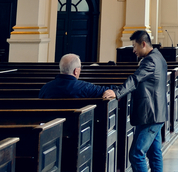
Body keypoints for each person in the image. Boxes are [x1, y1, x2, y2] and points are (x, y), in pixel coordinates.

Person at [103, 30, 167, 172]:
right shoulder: (158, 56)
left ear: (143, 44)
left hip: (150, 115)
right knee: (154, 154)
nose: (133, 50)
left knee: (136, 155)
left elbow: (135, 79)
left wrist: (117, 92)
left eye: (135, 46)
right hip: (156, 113)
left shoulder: (151, 60)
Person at [39, 53, 115, 99]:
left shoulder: (45, 88)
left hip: (50, 124)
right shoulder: (85, 87)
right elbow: (107, 90)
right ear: (76, 71)